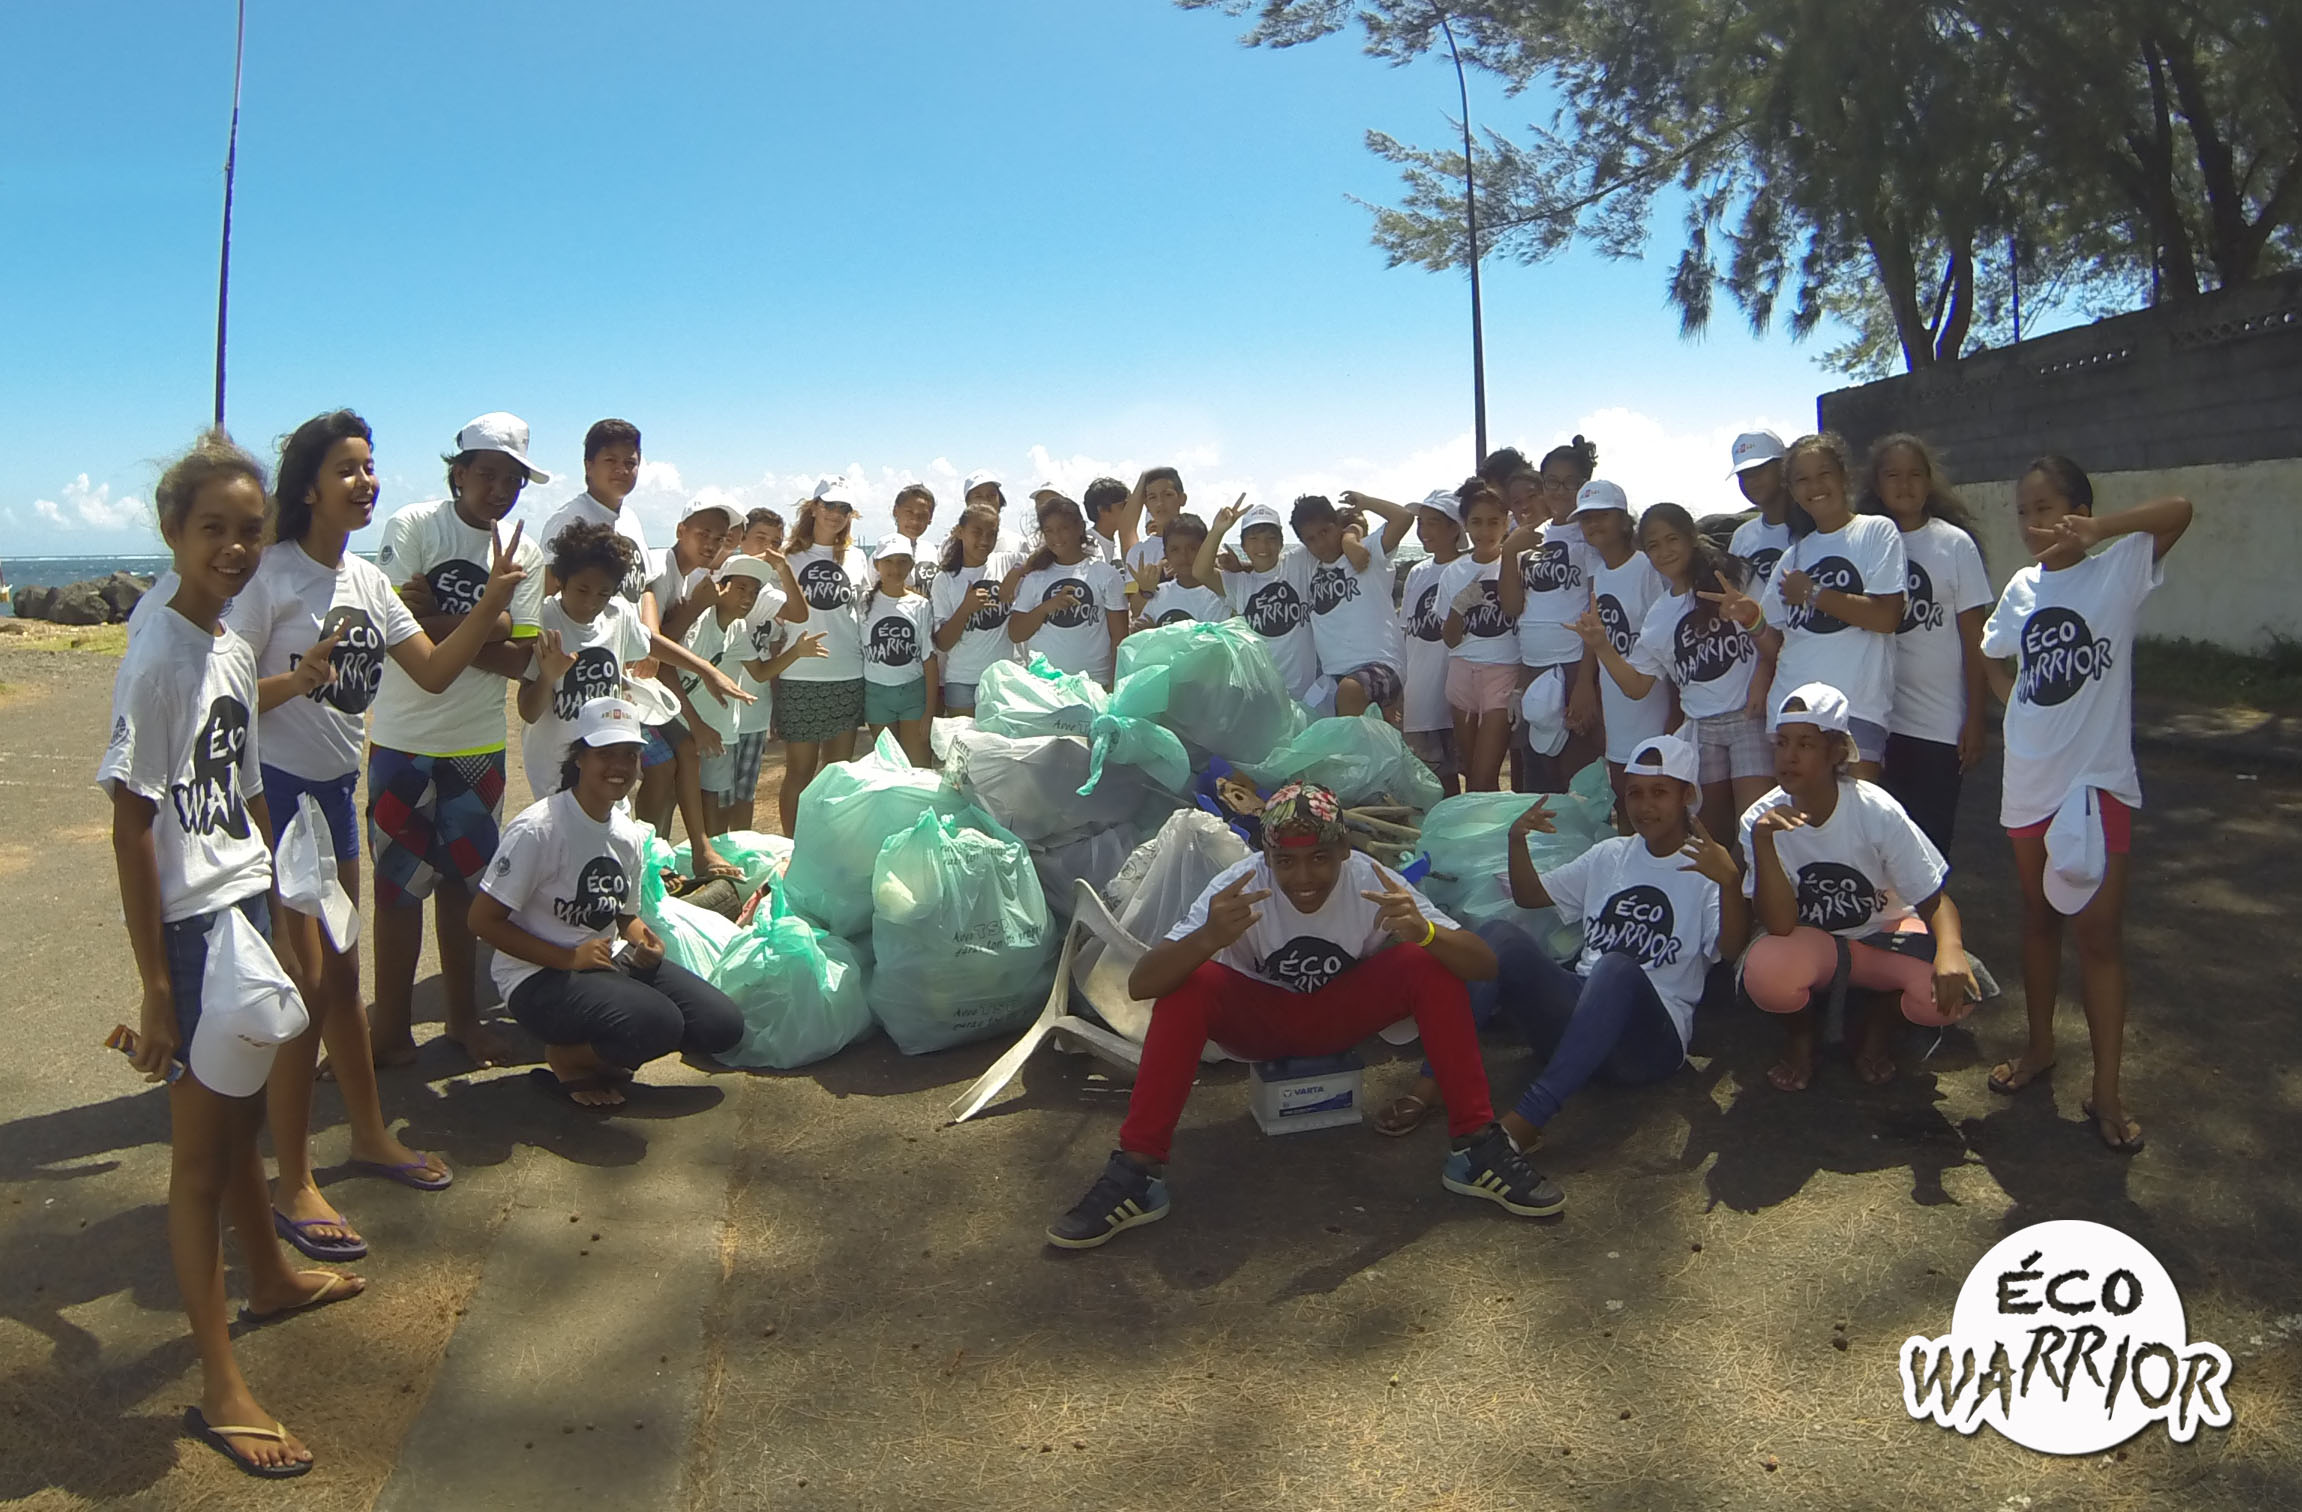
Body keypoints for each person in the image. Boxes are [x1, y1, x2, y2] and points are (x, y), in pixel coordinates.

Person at [102, 429, 366, 1480]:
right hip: (191, 934)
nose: (234, 548)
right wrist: (157, 991)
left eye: (249, 532)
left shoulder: (226, 641)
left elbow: (246, 773)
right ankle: (221, 1388)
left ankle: (271, 1278)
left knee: (247, 1118)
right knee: (201, 1167)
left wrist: (281, 888)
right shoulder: (160, 652)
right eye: (212, 529)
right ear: (173, 533)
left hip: (245, 908)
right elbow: (129, 826)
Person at [227, 410, 532, 1263]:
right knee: (304, 980)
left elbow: (434, 669)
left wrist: (495, 603)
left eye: (371, 467)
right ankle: (292, 1181)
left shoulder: (364, 580)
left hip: (333, 789)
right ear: (308, 487)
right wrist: (300, 678)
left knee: (344, 972)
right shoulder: (271, 579)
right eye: (348, 469)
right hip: (276, 795)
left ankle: (367, 1135)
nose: (365, 482)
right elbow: (230, 696)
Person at [1045, 782, 1560, 1249]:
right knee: (1190, 984)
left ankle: (1475, 1148)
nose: (1303, 876)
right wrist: (1209, 939)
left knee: (1429, 963)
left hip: (1340, 1019)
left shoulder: (1371, 879)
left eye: (1319, 858)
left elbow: (1483, 965)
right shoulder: (1241, 884)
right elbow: (1143, 985)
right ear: (1265, 856)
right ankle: (1137, 1171)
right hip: (1261, 1025)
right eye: (1285, 861)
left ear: (1343, 850)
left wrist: (1424, 932)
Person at [1374, 736, 1742, 1161]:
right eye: (1635, 793)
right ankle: (1432, 1081)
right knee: (1499, 936)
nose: (1644, 806)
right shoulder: (1610, 855)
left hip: (1647, 1047)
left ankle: (1526, 1122)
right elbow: (1531, 896)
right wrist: (1517, 841)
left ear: (1688, 797)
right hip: (1579, 1018)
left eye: (1659, 793)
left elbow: (1730, 951)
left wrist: (1730, 884)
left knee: (1617, 968)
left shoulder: (1709, 867)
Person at [1979, 458, 2190, 1155]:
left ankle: (2107, 1088)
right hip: (2029, 784)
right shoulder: (2021, 588)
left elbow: (2180, 509)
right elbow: (1991, 653)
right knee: (2038, 922)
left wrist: (2102, 530)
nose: (2033, 523)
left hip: (2095, 785)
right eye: (2022, 510)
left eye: (2047, 507)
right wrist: (2014, 710)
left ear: (2077, 508)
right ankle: (2040, 1049)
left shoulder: (2115, 572)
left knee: (2098, 937)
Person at [365, 412, 549, 1072]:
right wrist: (489, 620)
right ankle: (389, 1027)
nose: (500, 490)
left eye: (514, 480)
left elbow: (522, 659)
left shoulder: (525, 552)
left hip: (476, 746)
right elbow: (391, 625)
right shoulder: (415, 525)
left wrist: (442, 621)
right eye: (488, 475)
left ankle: (463, 1020)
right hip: (401, 738)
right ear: (460, 472)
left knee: (465, 890)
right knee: (396, 888)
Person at [471, 699, 745, 1110]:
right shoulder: (539, 828)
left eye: (630, 755)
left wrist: (643, 940)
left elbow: (623, 915)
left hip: (603, 961)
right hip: (537, 976)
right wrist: (567, 958)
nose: (619, 765)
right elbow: (483, 920)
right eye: (605, 753)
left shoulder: (626, 834)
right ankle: (568, 1057)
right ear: (579, 758)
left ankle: (605, 1046)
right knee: (657, 1024)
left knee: (722, 1026)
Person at [1738, 684, 1978, 1092]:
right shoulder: (1759, 819)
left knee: (1956, 994)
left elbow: (1934, 899)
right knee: (1765, 971)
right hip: (1814, 945)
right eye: (1782, 743)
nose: (1789, 756)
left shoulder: (1875, 810)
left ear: (1835, 753)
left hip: (1884, 937)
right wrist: (1763, 842)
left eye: (1806, 744)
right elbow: (1779, 925)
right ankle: (1802, 1037)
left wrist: (1951, 952)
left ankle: (1878, 1025)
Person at [1711, 433, 1905, 781]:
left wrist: (1814, 592)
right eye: (1802, 479)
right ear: (1793, 489)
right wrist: (1752, 618)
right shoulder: (1794, 555)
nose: (1814, 486)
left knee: (1855, 828)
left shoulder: (1877, 532)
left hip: (1855, 710)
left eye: (1824, 474)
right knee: (1800, 830)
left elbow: (1886, 617)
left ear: (1844, 476)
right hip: (1790, 712)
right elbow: (1777, 645)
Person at [519, 522, 748, 811]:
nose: (591, 602)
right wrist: (547, 677)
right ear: (561, 580)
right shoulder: (544, 621)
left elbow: (650, 641)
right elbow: (527, 710)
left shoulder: (619, 614)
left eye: (603, 594)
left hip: (608, 759)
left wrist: (707, 670)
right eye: (582, 590)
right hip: (554, 772)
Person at [1584, 501, 1774, 846]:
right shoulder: (1659, 616)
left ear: (1690, 537)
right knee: (1710, 837)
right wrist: (1602, 647)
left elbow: (1774, 639)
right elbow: (1637, 686)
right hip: (1702, 731)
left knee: (1755, 830)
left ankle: (1756, 899)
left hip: (1749, 719)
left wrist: (1762, 668)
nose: (1664, 551)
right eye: (1653, 545)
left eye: (1672, 539)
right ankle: (1722, 900)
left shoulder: (1734, 578)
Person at [1861, 434, 1992, 853]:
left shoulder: (1953, 544)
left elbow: (1975, 638)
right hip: (1877, 720)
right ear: (1876, 485)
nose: (1905, 484)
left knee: (1929, 847)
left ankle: (1932, 921)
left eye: (1916, 474)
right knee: (1878, 847)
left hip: (1938, 726)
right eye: (1893, 475)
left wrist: (1976, 717)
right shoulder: (1864, 543)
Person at [638, 499, 747, 879]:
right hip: (629, 690)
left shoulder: (689, 578)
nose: (711, 544)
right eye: (703, 534)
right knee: (667, 763)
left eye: (719, 538)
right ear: (680, 530)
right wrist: (695, 610)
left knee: (682, 756)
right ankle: (657, 860)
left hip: (652, 694)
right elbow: (650, 647)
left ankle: (673, 857)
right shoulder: (657, 567)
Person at [766, 479, 870, 836]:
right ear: (813, 508)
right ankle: (793, 847)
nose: (836, 515)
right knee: (799, 772)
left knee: (837, 772)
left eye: (844, 509)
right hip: (800, 674)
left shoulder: (857, 557)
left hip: (847, 673)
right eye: (829, 506)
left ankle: (828, 845)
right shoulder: (788, 556)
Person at [1498, 438, 1600, 789]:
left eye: (1571, 482)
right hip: (1535, 666)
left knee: (1577, 777)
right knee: (1537, 776)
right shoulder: (1529, 537)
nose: (1561, 490)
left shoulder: (1591, 536)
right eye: (1552, 482)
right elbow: (1513, 607)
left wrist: (1585, 683)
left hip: (1574, 665)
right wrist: (1509, 554)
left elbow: (1594, 610)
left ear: (1586, 485)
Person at [1566, 481, 1672, 811]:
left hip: (1652, 705)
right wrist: (1588, 685)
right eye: (1586, 518)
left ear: (1625, 521)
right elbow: (1598, 639)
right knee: (1625, 800)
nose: (1593, 524)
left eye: (1603, 515)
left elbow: (1668, 643)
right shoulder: (1601, 575)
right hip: (1616, 705)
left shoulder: (1648, 568)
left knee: (1658, 801)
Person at [1439, 480, 1521, 791]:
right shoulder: (1454, 572)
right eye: (1476, 522)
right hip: (1461, 671)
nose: (1485, 531)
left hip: (1503, 671)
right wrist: (1459, 606)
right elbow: (1449, 639)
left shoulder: (1517, 563)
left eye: (1493, 522)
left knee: (1486, 774)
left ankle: (1495, 835)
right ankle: (1485, 837)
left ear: (1505, 523)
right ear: (1465, 525)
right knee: (1472, 775)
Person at [1301, 490, 1414, 718]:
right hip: (1334, 675)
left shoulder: (1369, 551)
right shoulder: (1308, 566)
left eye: (1325, 531)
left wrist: (1366, 502)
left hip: (1381, 664)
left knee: (1350, 691)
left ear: (1338, 526)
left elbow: (1404, 517)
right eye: (1311, 539)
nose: (1321, 543)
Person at [1199, 498, 1320, 702]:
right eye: (1254, 539)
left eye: (1271, 538)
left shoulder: (1298, 563)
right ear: (1243, 546)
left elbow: (1327, 532)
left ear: (1282, 543)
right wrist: (1218, 530)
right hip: (1263, 696)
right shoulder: (1239, 585)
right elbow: (1201, 572)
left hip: (1306, 695)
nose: (1263, 545)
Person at [1005, 492, 1131, 686]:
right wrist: (1046, 608)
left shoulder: (1105, 574)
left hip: (1095, 684)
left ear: (1080, 527)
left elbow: (1119, 637)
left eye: (1063, 528)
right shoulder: (1036, 578)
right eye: (1049, 531)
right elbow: (1016, 633)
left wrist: (1115, 686)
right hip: (1045, 686)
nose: (1057, 537)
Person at [1396, 488, 1467, 795]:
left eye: (1433, 522)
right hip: (1418, 694)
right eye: (1420, 523)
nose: (1423, 531)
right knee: (1424, 779)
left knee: (1453, 775)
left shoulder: (1466, 570)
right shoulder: (1417, 573)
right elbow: (1405, 632)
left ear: (1455, 528)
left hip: (1453, 694)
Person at [928, 499, 1017, 716]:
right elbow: (943, 643)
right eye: (977, 532)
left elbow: (1042, 558)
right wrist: (966, 609)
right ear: (960, 532)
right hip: (962, 681)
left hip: (1003, 678)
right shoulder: (945, 580)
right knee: (965, 747)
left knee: (1000, 749)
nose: (985, 540)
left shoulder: (1007, 562)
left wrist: (1017, 575)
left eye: (992, 533)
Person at [860, 537, 936, 764]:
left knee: (919, 766)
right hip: (876, 695)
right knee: (889, 765)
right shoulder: (863, 603)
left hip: (913, 694)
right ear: (876, 565)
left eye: (902, 561)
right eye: (888, 561)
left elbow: (929, 659)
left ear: (911, 565)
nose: (895, 568)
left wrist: (929, 713)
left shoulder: (920, 605)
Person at [1131, 512, 1229, 628]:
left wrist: (1156, 634)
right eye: (1175, 549)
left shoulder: (1222, 594)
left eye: (1192, 548)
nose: (1184, 555)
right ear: (1166, 554)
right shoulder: (1158, 594)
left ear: (1205, 550)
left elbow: (1211, 642)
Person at [1727, 430, 1794, 587]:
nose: (1751, 481)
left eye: (1759, 469)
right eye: (1744, 474)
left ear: (1783, 466)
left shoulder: (1813, 526)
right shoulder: (1741, 537)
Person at [1123, 466, 1190, 598]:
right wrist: (1147, 587)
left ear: (1182, 498)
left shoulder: (1202, 540)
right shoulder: (1138, 552)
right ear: (1146, 504)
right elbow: (1134, 607)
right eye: (1152, 497)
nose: (1160, 503)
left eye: (1168, 495)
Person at [1081, 475, 1140, 567]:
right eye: (1124, 505)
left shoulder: (1118, 542)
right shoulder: (1087, 545)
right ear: (1103, 509)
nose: (1130, 510)